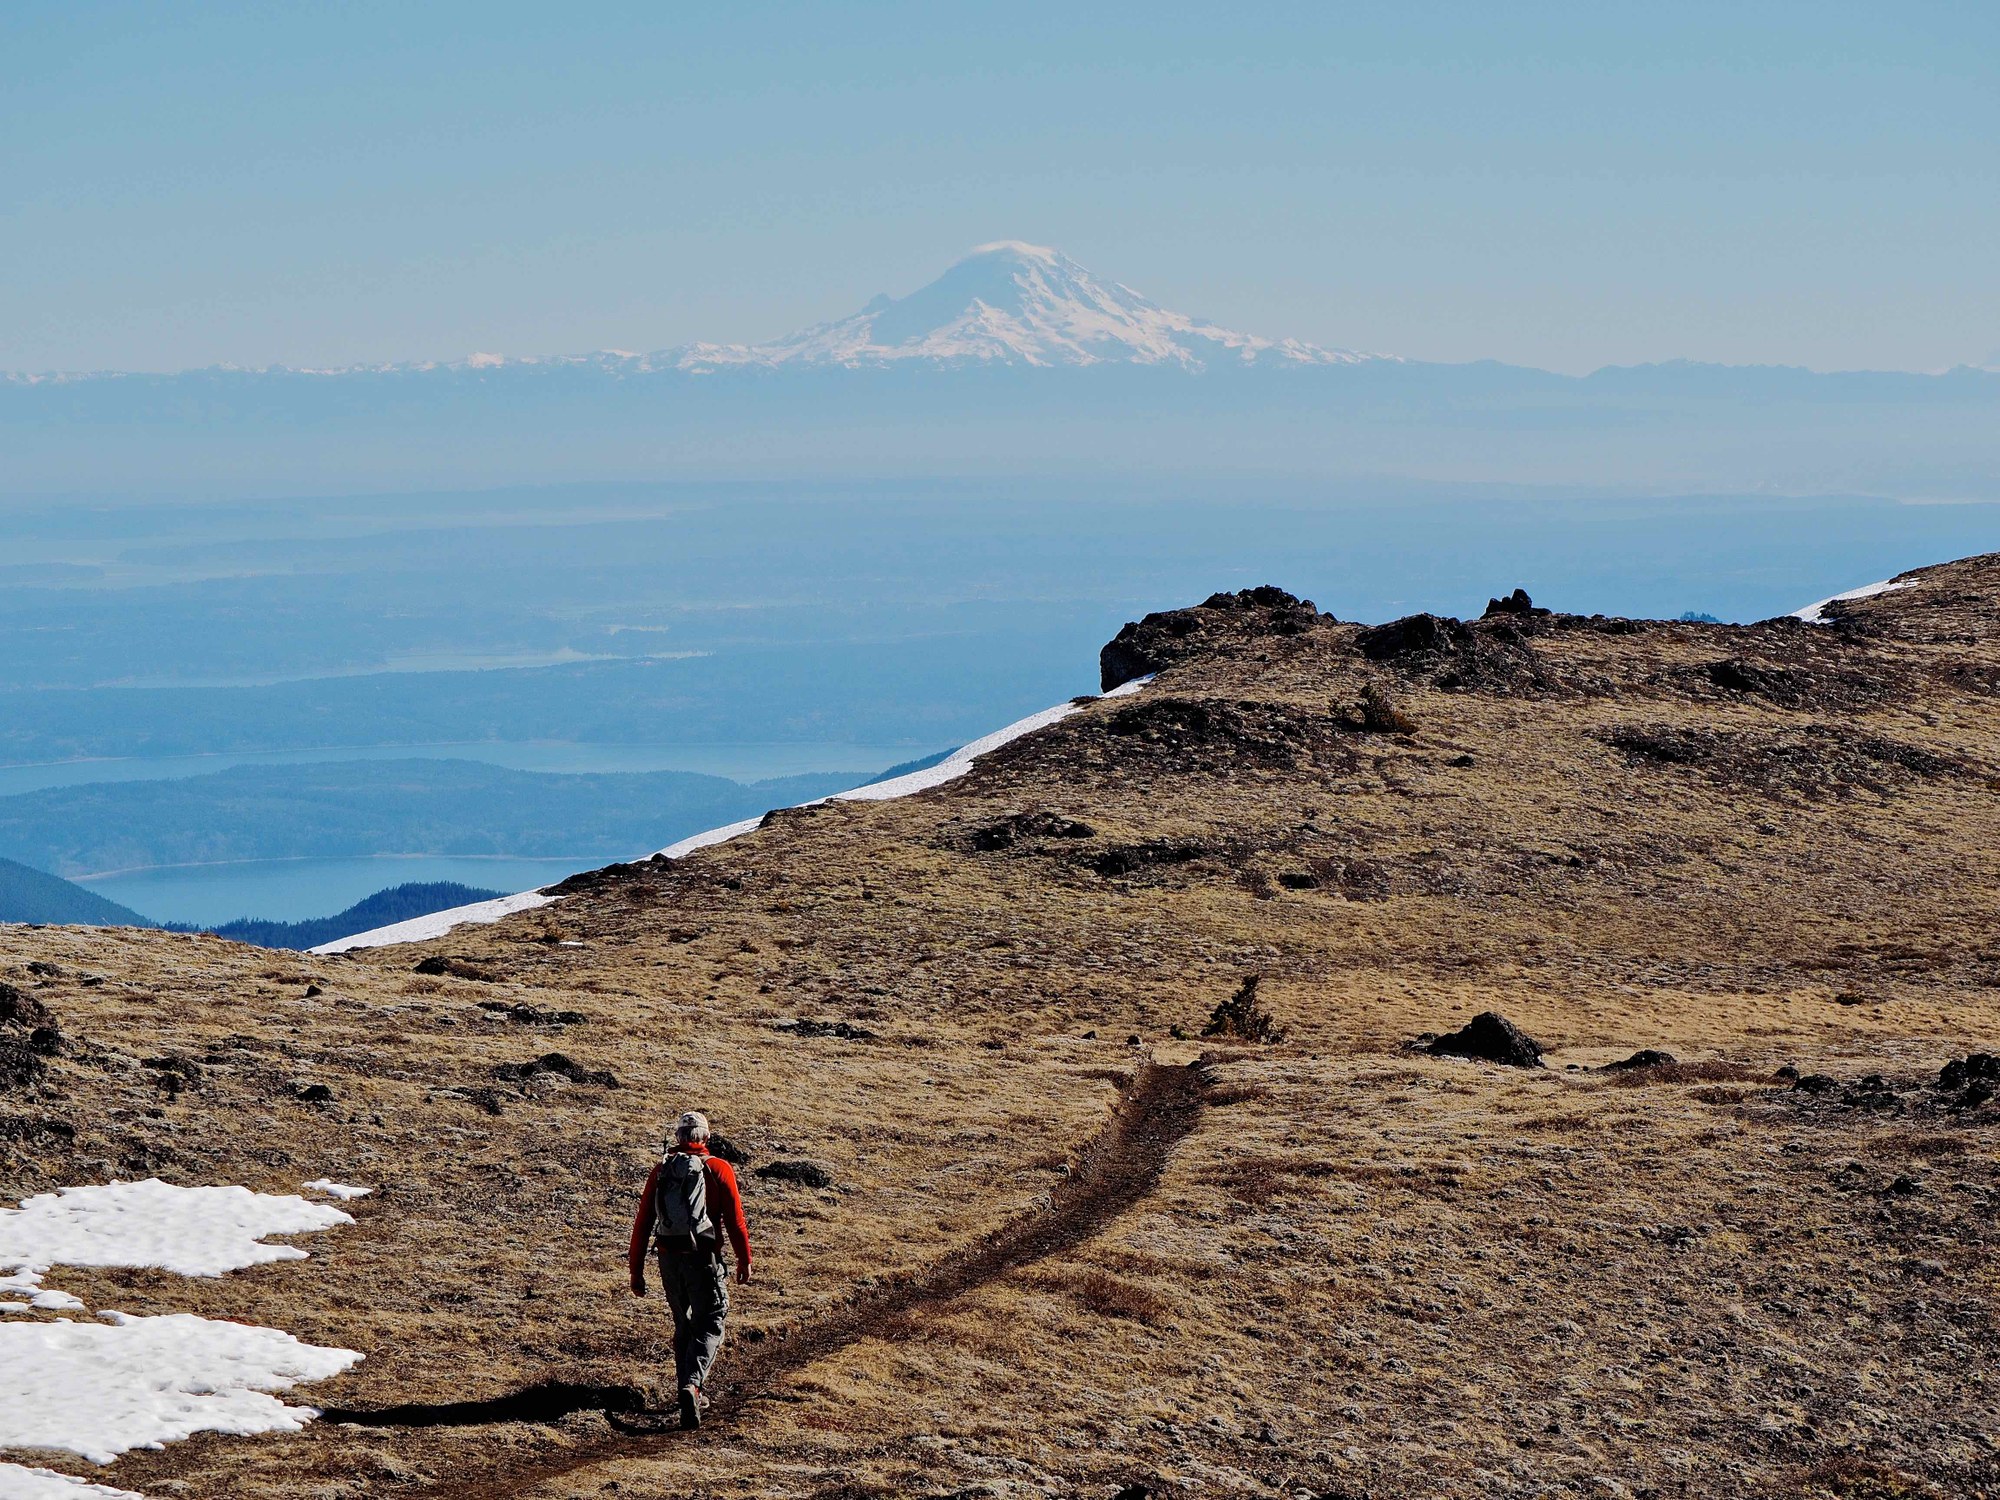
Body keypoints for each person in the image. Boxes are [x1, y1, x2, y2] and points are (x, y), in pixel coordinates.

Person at [629, 1110, 753, 1429]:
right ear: (706, 1138)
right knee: (711, 1320)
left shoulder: (661, 1171)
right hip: (704, 1257)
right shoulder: (718, 1169)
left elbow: (643, 1225)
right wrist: (744, 1259)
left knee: (683, 1326)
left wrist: (636, 1272)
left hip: (669, 1258)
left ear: (677, 1138)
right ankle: (693, 1386)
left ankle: (687, 1389)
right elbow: (735, 1221)